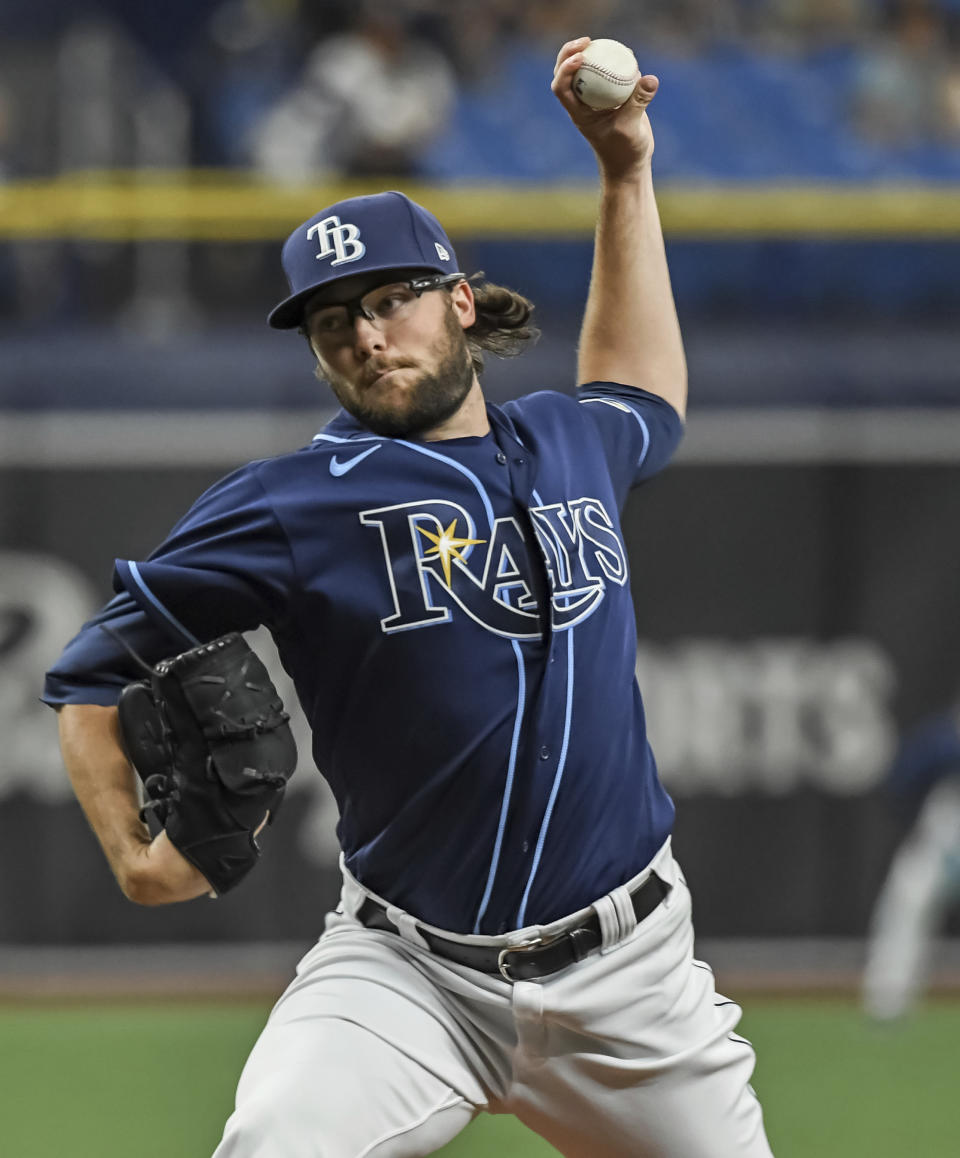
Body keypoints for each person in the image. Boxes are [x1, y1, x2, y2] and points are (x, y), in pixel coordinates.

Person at [45, 39, 774, 1158]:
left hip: (632, 980)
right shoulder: (291, 501)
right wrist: (138, 858)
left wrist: (626, 173)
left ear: (463, 305)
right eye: (336, 323)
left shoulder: (570, 442)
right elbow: (90, 671)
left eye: (392, 299)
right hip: (406, 975)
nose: (368, 334)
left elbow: (642, 389)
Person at [862, 703, 960, 1021]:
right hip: (937, 843)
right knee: (905, 907)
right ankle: (888, 999)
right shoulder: (941, 738)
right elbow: (901, 782)